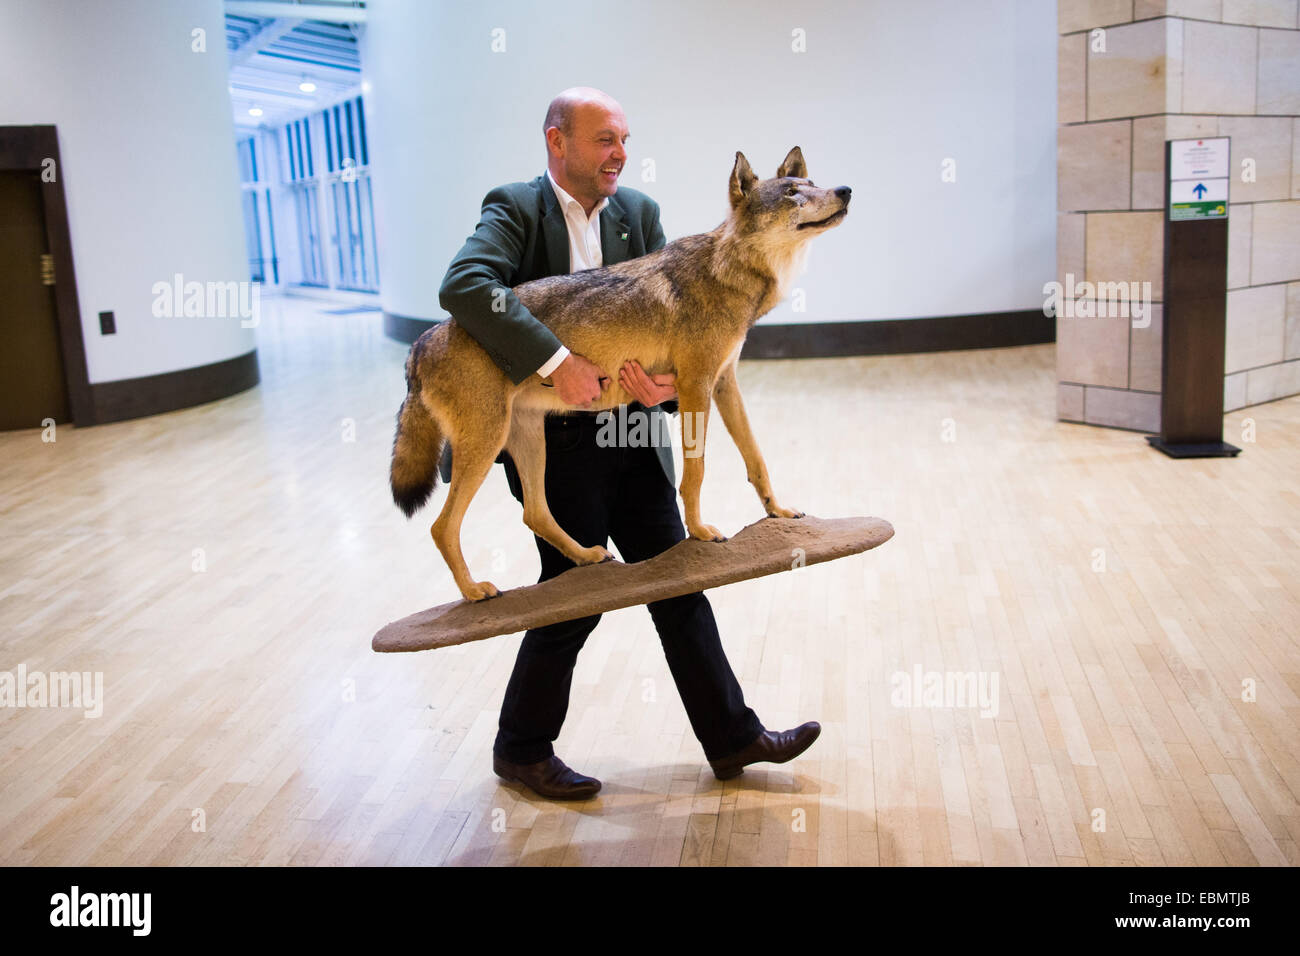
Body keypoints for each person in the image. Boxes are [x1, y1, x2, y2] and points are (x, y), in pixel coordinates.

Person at [437, 86, 820, 800]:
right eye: (604, 140)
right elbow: (466, 287)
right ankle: (520, 748)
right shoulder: (516, 208)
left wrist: (669, 389)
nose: (620, 154)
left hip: (631, 429)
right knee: (576, 593)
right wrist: (555, 361)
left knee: (679, 579)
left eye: (625, 141)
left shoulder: (640, 214)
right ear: (558, 142)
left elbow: (679, 329)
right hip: (553, 431)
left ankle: (733, 735)